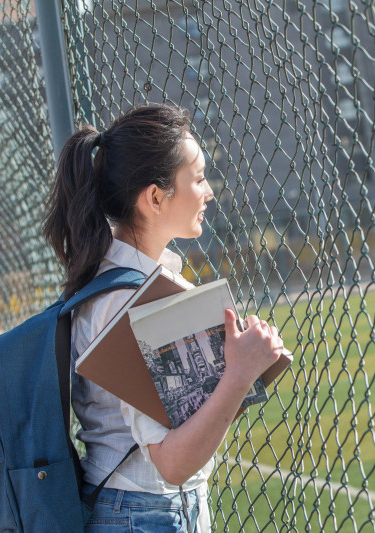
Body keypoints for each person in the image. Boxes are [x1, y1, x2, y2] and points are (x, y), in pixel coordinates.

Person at [43, 102, 285, 532]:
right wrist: (240, 373)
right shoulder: (135, 299)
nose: (209, 191)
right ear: (155, 197)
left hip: (138, 510)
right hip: (145, 515)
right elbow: (171, 463)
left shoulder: (114, 279)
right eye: (197, 178)